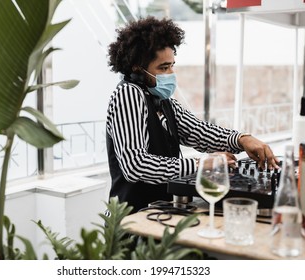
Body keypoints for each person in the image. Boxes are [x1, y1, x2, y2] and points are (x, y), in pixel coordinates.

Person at [106, 16, 279, 213]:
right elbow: (136, 166)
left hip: (156, 212)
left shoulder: (162, 101)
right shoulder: (128, 94)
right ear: (137, 68)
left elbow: (198, 131)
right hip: (131, 221)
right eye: (163, 67)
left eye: (172, 65)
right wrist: (202, 164)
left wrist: (241, 139)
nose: (171, 73)